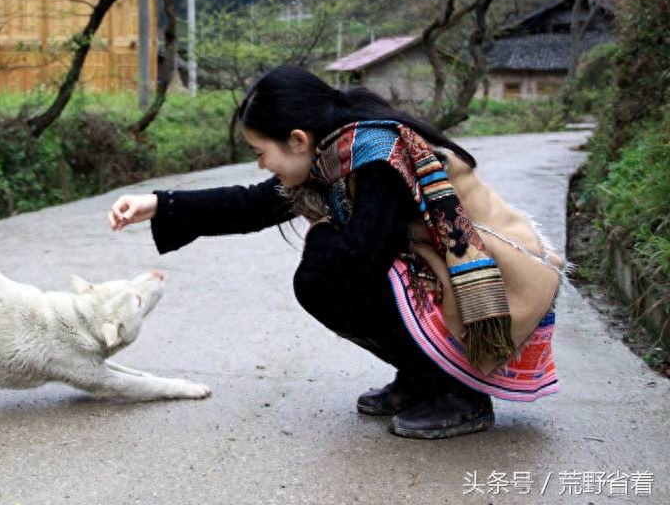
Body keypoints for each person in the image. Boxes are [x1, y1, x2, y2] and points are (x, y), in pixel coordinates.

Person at [107, 64, 559, 440]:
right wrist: (158, 205)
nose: (262, 164)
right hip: (446, 272)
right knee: (328, 277)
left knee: (330, 277)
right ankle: (423, 375)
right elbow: (252, 204)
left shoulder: (376, 158)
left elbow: (363, 258)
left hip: (501, 283)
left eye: (261, 152)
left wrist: (321, 233)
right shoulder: (333, 155)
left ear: (299, 140)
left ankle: (460, 392)